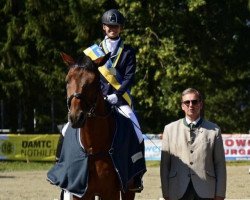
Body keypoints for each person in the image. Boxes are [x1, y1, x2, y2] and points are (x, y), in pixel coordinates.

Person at [99, 8, 144, 192]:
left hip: (120, 100)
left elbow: (129, 77)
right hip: (98, 100)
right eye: (110, 26)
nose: (112, 29)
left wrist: (116, 96)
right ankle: (62, 167)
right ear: (104, 27)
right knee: (68, 128)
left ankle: (136, 174)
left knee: (138, 132)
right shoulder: (95, 51)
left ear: (121, 29)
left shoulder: (128, 51)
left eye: (116, 26)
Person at [160, 88, 226, 200]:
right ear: (182, 106)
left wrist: (220, 193)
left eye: (194, 101)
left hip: (206, 190)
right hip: (176, 190)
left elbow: (220, 164)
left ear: (200, 104)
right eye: (187, 102)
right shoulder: (169, 129)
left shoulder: (214, 130)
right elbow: (165, 165)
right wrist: (166, 193)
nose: (191, 105)